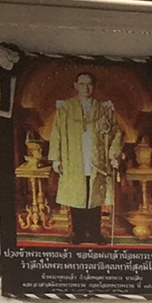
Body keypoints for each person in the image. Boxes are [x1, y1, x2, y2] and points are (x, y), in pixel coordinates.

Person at [47, 72, 122, 244]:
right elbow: (56, 133)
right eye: (82, 84)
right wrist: (56, 159)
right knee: (77, 196)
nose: (86, 88)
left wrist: (113, 155)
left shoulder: (104, 108)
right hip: (73, 159)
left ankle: (95, 234)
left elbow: (115, 133)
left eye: (89, 84)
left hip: (96, 160)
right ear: (76, 85)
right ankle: (78, 233)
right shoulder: (65, 109)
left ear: (93, 86)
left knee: (94, 197)